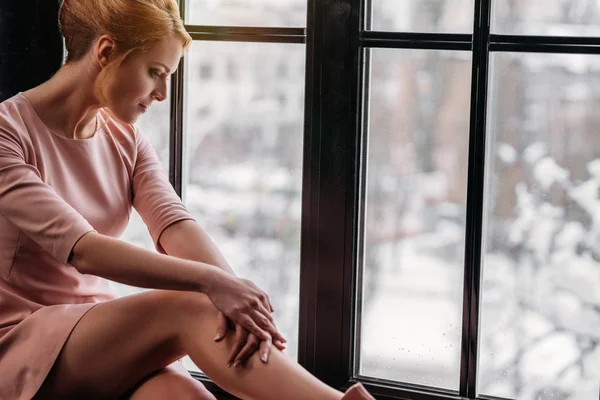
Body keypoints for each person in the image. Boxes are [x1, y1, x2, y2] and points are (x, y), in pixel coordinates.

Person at [0, 0, 376, 399]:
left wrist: (239, 302)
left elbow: (174, 223)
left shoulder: (125, 140)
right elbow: (82, 250)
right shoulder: (8, 133)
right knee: (194, 303)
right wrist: (214, 284)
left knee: (187, 393)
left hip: (94, 334)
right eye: (155, 73)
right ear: (106, 51)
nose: (162, 94)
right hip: (18, 341)